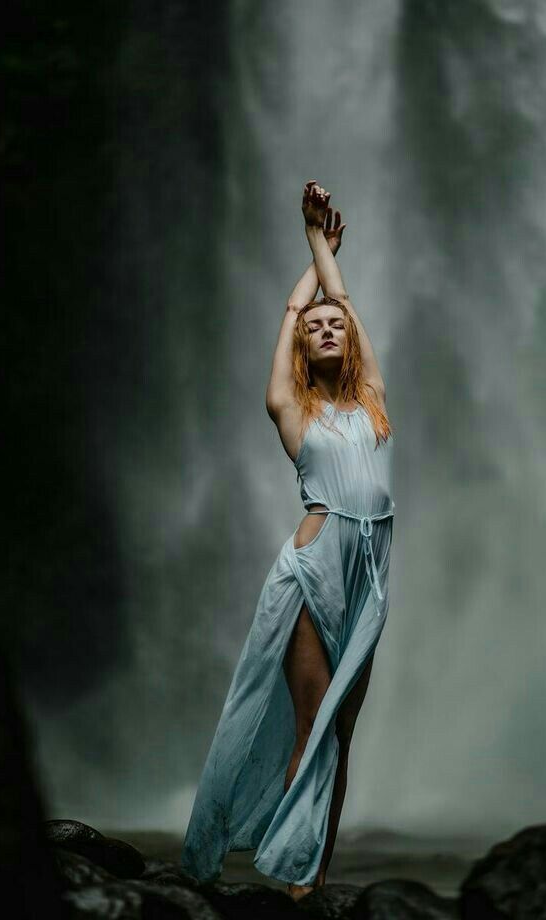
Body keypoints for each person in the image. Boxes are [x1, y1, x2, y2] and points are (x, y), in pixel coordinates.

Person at [181, 179, 396, 901]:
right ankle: (299, 885)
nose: (329, 329)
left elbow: (347, 310)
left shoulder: (371, 398)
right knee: (311, 720)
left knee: (341, 735)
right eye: (317, 327)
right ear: (301, 345)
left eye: (338, 325)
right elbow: (297, 312)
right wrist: (305, 274)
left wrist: (323, 247)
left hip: (369, 575)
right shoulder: (290, 412)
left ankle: (318, 872)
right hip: (314, 570)